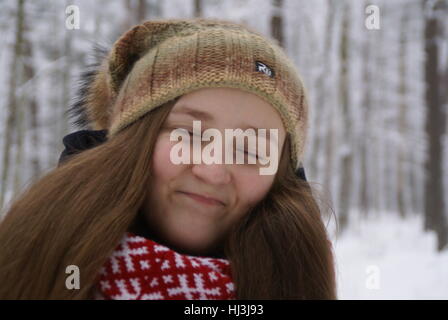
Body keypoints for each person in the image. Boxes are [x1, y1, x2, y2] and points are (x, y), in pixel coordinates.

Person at [0, 18, 336, 299]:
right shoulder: (24, 268)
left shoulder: (298, 283)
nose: (213, 170)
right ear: (131, 141)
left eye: (249, 150)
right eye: (188, 135)